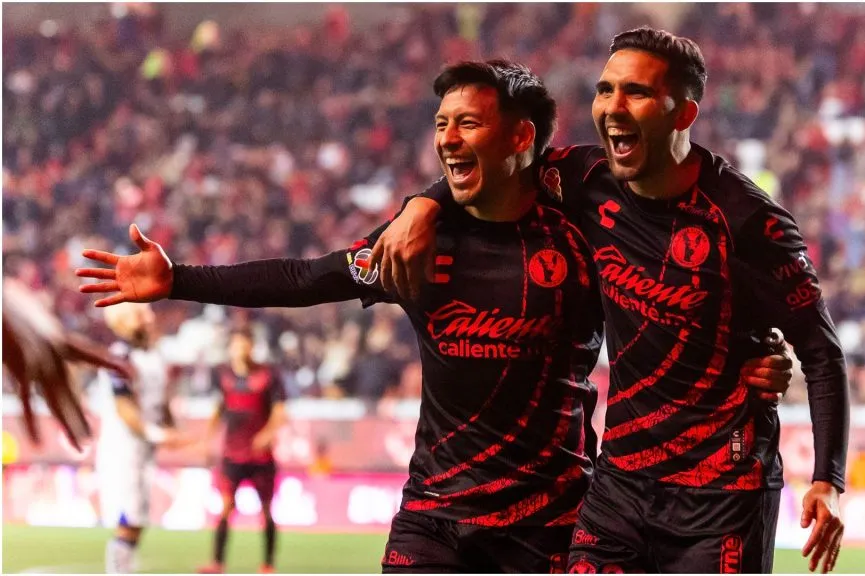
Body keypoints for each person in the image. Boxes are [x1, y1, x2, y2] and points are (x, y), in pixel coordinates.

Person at [78, 60, 791, 572]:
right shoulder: (413, 246)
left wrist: (757, 353)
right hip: (434, 521)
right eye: (441, 123)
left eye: (468, 123)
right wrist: (178, 279)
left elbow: (676, 294)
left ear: (521, 138)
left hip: (550, 526)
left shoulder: (583, 232)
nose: (447, 137)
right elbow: (305, 277)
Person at [373, 27, 849, 574]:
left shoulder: (748, 222)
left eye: (636, 92)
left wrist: (828, 480)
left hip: (720, 497)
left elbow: (822, 351)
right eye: (605, 90)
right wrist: (423, 205)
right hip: (619, 489)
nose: (612, 107)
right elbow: (498, 164)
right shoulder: (585, 179)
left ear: (683, 114)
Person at [93, 302, 190, 574]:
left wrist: (172, 427)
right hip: (122, 449)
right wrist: (158, 433)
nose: (150, 317)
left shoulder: (153, 355)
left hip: (144, 448)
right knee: (128, 518)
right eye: (142, 313)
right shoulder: (119, 357)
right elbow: (125, 408)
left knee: (138, 519)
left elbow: (160, 400)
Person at [198, 326, 287, 574]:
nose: (240, 349)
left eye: (244, 344)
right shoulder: (223, 375)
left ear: (252, 347)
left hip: (260, 456)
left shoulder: (268, 375)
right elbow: (218, 408)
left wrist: (268, 434)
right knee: (225, 508)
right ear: (230, 348)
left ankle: (268, 564)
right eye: (236, 344)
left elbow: (280, 410)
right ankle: (217, 563)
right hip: (232, 453)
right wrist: (207, 439)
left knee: (266, 510)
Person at [2, 279, 129, 450]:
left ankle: (78, 437)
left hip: (45, 343)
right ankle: (76, 437)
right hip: (42, 345)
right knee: (57, 394)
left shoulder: (16, 302)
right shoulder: (14, 303)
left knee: (59, 393)